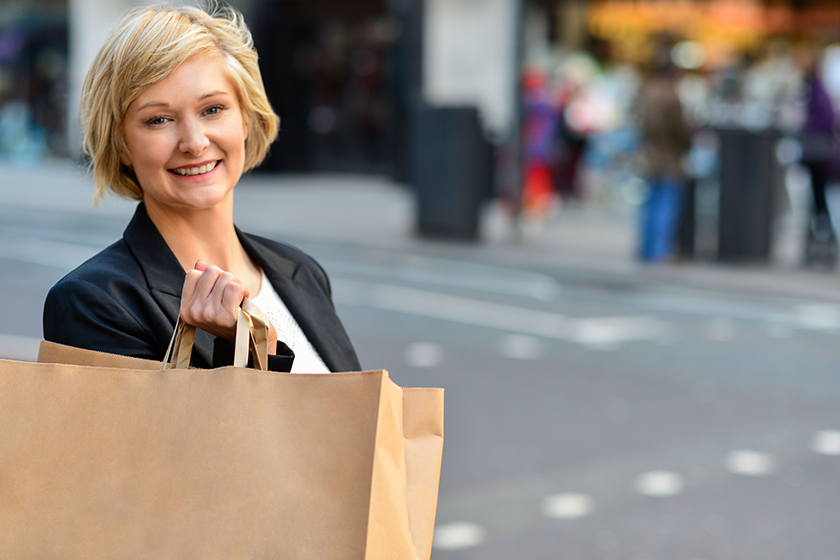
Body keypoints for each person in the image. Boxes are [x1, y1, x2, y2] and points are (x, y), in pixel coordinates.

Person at [42, 4, 360, 373]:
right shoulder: (94, 302)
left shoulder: (301, 271)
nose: (194, 142)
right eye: (158, 119)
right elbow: (157, 433)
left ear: (245, 118)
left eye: (212, 109)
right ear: (121, 146)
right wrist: (249, 351)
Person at [635, 41, 693, 263]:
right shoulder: (670, 95)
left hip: (650, 154)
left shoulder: (647, 91)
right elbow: (680, 129)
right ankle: (659, 252)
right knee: (666, 205)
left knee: (650, 205)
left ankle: (647, 249)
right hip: (669, 156)